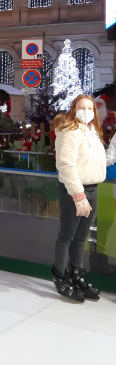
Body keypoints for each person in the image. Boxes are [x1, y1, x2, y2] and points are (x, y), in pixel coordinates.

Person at [51, 94, 106, 301]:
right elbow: (66, 165)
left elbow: (95, 161)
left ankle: (75, 276)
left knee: (80, 238)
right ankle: (60, 277)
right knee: (67, 236)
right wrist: (78, 195)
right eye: (82, 107)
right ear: (74, 109)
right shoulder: (70, 130)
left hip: (92, 189)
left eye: (90, 108)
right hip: (74, 190)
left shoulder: (92, 131)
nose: (86, 111)